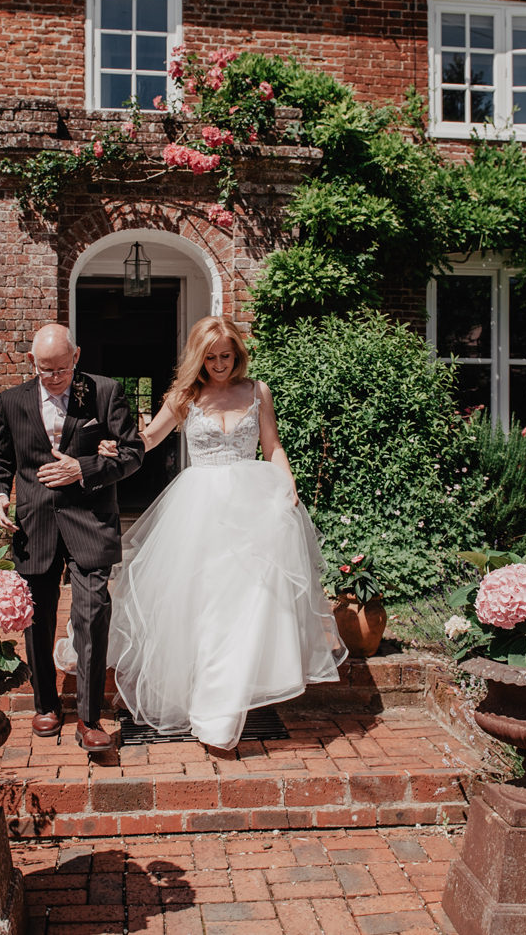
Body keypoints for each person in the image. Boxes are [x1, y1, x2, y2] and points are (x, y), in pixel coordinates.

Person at [99, 315, 345, 754]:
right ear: (198, 357)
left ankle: (223, 712)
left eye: (226, 357)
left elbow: (272, 446)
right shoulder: (185, 396)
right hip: (199, 512)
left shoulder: (257, 391)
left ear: (238, 354)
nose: (218, 365)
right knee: (207, 610)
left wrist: (287, 483)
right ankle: (205, 704)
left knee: (245, 610)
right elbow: (150, 438)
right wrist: (116, 446)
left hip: (253, 508)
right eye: (210, 358)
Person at [0, 324, 144, 752]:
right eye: (44, 370)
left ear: (75, 356)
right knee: (37, 617)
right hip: (33, 524)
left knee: (91, 618)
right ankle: (46, 705)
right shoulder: (12, 401)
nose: (53, 377)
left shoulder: (105, 393)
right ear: (32, 363)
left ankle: (90, 718)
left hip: (90, 521)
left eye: (60, 368)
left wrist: (84, 469)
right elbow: (0, 459)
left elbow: (133, 454)